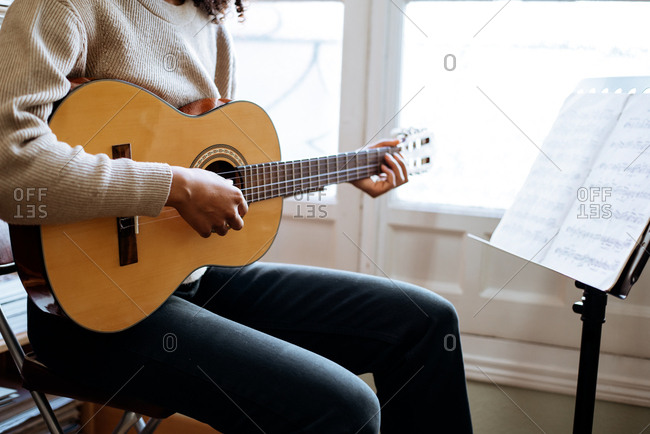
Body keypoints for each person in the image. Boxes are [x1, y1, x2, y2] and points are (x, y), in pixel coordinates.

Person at [0, 0, 473, 432]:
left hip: (188, 282)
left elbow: (218, 171)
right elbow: (9, 165)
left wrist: (348, 169)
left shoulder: (211, 20)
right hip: (90, 315)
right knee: (348, 410)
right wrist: (175, 186)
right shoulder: (62, 7)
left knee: (424, 323)